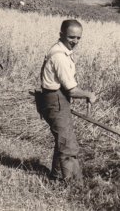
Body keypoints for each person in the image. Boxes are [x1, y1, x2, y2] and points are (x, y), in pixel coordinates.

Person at [40, 19, 96, 184]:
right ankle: (72, 183)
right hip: (55, 100)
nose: (75, 42)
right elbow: (71, 89)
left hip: (58, 99)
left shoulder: (61, 51)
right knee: (67, 144)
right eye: (71, 37)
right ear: (61, 35)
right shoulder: (60, 57)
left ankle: (57, 178)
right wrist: (88, 94)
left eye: (78, 38)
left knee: (63, 141)